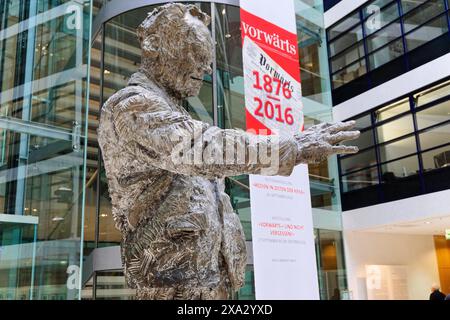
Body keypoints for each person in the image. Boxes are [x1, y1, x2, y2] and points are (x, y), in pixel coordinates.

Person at [98, 3, 360, 300]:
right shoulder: (131, 106)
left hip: (205, 281)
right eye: (196, 53)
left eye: (207, 58)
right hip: (172, 286)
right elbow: (199, 148)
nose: (206, 66)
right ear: (155, 46)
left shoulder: (175, 113)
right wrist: (291, 147)